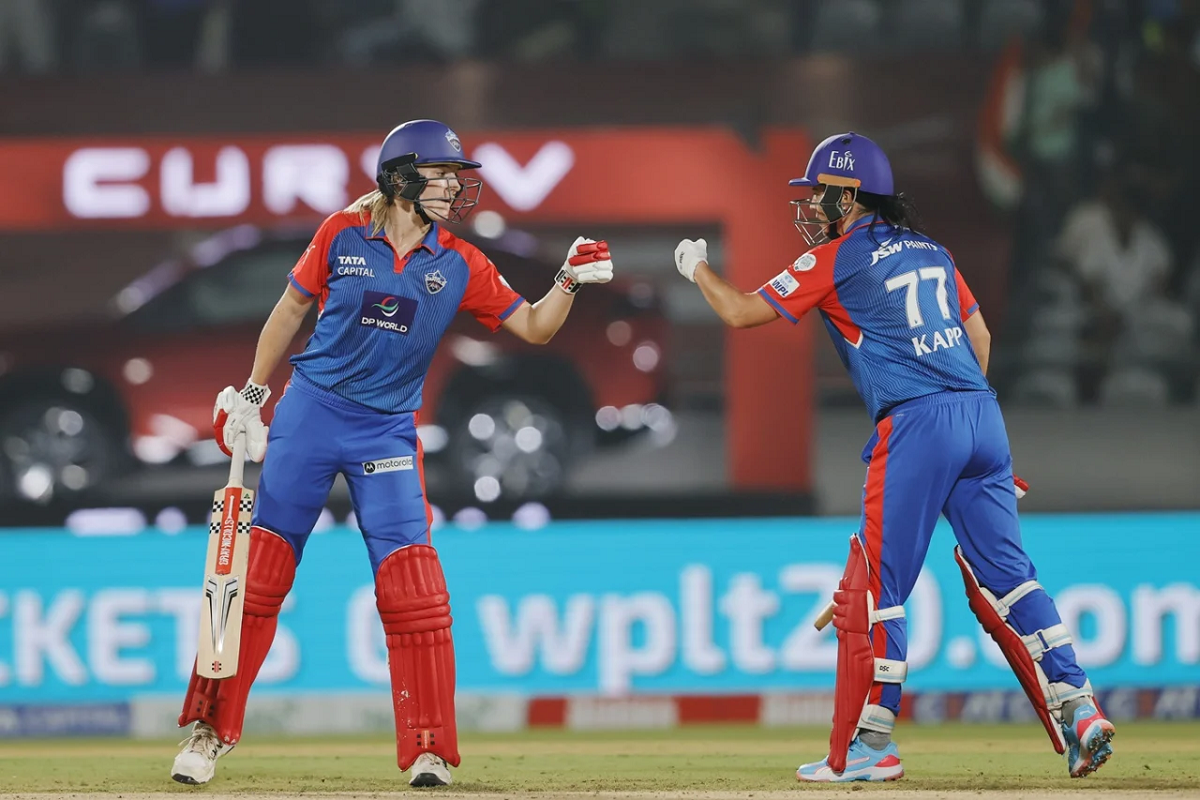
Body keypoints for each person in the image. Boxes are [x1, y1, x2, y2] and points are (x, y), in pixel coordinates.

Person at [170, 118, 614, 788]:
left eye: (457, 178)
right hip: (310, 414)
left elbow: (534, 326)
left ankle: (429, 749)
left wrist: (569, 282)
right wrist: (252, 395)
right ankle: (208, 731)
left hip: (386, 432)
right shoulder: (340, 234)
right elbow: (288, 311)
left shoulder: (460, 262)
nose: (455, 189)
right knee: (256, 579)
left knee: (415, 590)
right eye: (442, 176)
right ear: (401, 178)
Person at [673, 132, 1115, 782]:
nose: (811, 205)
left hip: (914, 424)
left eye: (819, 192)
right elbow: (979, 336)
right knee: (1012, 578)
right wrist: (962, 428)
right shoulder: (934, 251)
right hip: (981, 416)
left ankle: (872, 743)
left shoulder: (836, 258)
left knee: (878, 590)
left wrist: (696, 270)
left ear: (848, 195)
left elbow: (741, 313)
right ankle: (1080, 707)